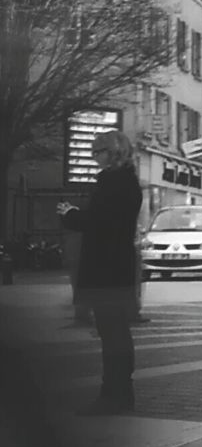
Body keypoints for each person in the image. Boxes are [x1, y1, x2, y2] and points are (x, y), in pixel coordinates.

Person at [56, 130, 142, 414]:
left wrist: (70, 214)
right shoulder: (129, 182)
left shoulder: (112, 183)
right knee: (117, 330)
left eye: (97, 151)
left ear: (111, 152)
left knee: (111, 332)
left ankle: (114, 394)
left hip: (106, 267)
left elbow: (99, 223)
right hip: (118, 266)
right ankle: (120, 391)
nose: (94, 158)